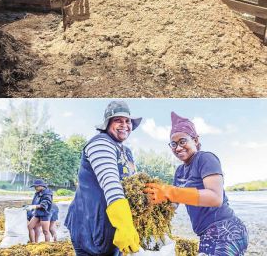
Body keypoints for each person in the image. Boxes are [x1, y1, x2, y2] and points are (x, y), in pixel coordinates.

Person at [144, 112, 248, 256]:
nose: (178, 148)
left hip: (226, 230)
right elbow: (172, 205)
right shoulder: (179, 171)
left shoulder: (205, 159)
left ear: (195, 140)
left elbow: (215, 198)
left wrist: (170, 192)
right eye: (173, 144)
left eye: (182, 141)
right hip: (206, 234)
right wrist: (150, 206)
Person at [65, 101, 141, 255]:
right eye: (118, 120)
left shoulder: (126, 151)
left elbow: (132, 184)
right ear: (107, 123)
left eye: (128, 121)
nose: (125, 125)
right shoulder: (100, 143)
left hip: (113, 224)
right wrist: (124, 224)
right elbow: (110, 182)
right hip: (90, 224)